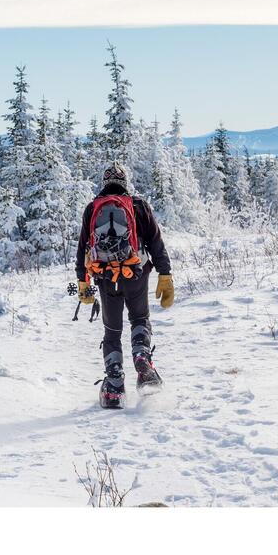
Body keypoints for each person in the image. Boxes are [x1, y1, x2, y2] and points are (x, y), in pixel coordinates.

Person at [75, 162, 174, 408]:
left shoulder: (92, 208)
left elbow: (82, 249)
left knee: (112, 331)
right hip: (136, 274)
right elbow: (155, 242)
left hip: (106, 278)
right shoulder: (138, 206)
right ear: (125, 182)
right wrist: (165, 273)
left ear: (104, 182)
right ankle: (143, 361)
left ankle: (114, 386)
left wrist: (82, 281)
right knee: (139, 320)